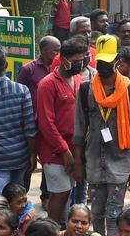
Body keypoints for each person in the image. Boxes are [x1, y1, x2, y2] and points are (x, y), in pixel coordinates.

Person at [74, 36, 130, 236]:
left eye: (108, 62)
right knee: (96, 213)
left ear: (118, 61)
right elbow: (79, 130)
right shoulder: (86, 90)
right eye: (100, 62)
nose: (103, 66)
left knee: (114, 215)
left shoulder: (129, 91)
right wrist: (78, 162)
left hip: (119, 162)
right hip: (94, 162)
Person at [38, 37, 91, 223]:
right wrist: (65, 151)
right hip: (54, 151)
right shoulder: (47, 83)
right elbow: (46, 123)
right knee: (60, 194)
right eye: (76, 61)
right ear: (63, 59)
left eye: (83, 60)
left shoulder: (78, 79)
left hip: (75, 148)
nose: (80, 64)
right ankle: (51, 231)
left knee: (73, 194)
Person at [0, 45, 37, 193]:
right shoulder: (22, 90)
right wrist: (32, 155)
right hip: (21, 156)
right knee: (18, 200)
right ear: (6, 64)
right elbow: (30, 129)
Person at [18, 35, 59, 107]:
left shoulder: (59, 69)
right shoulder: (28, 69)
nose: (59, 54)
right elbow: (20, 95)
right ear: (44, 50)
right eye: (56, 50)